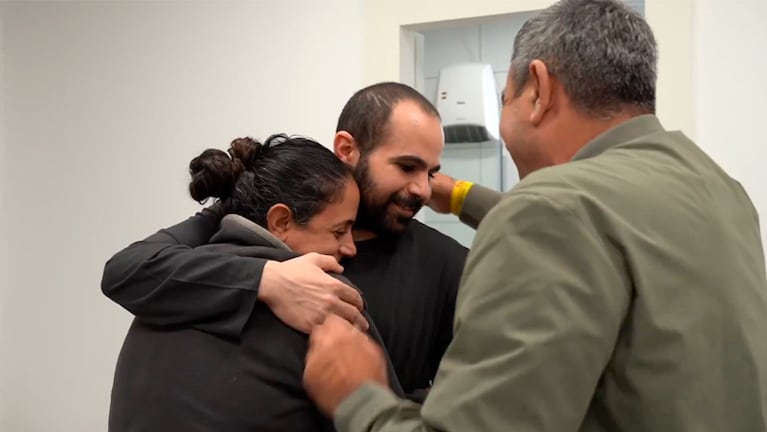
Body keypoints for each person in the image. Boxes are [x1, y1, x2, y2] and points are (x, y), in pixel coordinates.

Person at [302, 1, 767, 431]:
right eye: (409, 167)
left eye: (506, 98)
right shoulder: (721, 192)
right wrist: (462, 196)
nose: (422, 188)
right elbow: (603, 233)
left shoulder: (551, 208)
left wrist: (358, 397)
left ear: (540, 90)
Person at [101, 83, 468, 401]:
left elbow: (466, 401)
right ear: (346, 149)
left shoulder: (451, 266)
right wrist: (267, 280)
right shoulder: (241, 223)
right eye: (407, 167)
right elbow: (127, 270)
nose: (424, 189)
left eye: (432, 172)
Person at [109, 134, 403, 432]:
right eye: (340, 230)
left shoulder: (163, 295)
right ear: (280, 221)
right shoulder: (327, 299)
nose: (351, 247)